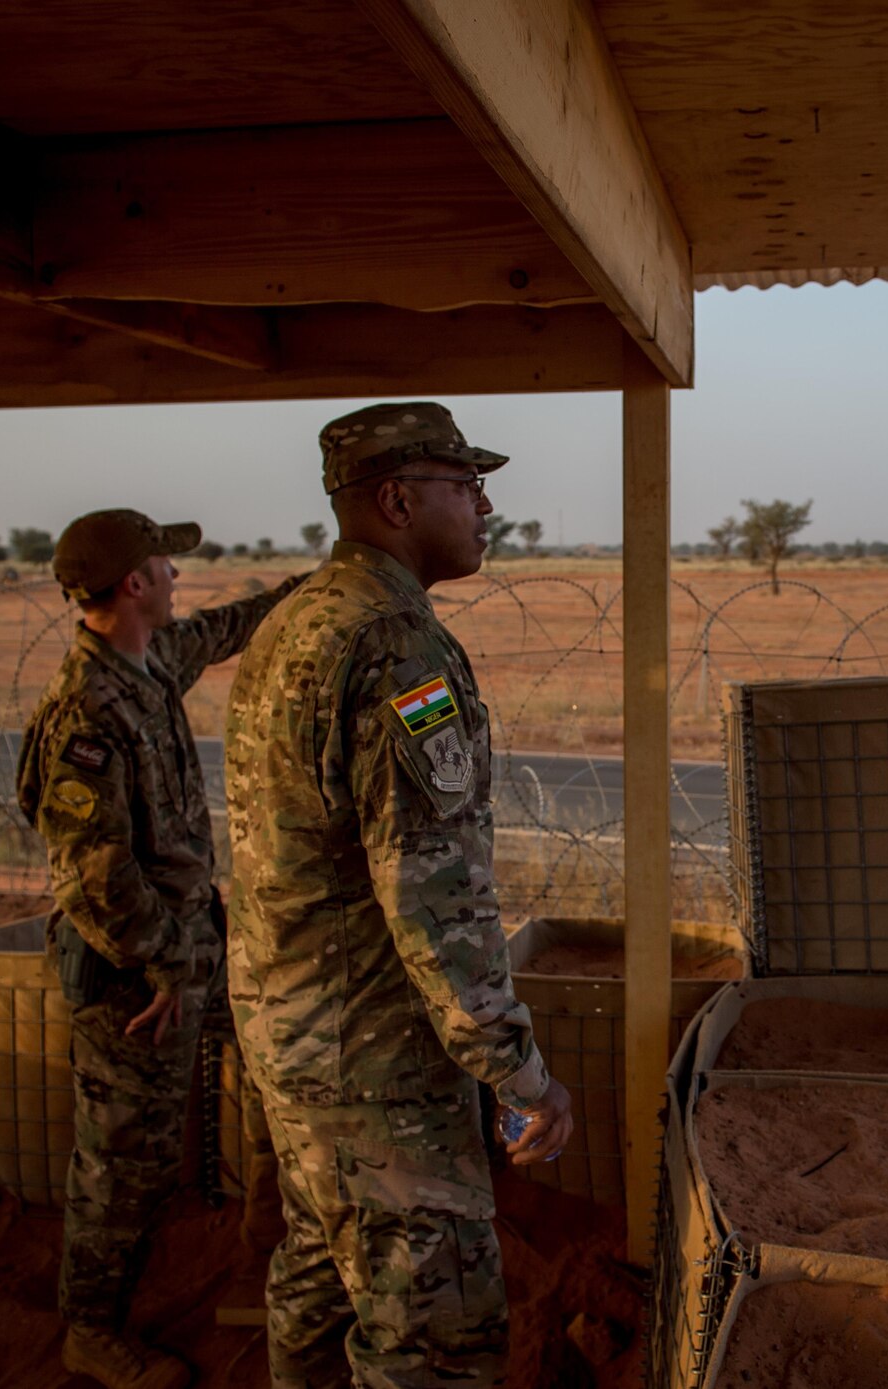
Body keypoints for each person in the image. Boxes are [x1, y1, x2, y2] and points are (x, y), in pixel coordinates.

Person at [225, 402, 574, 1388]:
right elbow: (432, 893)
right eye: (465, 486)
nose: (484, 505)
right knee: (436, 1334)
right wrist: (515, 1071)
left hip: (295, 1034)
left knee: (323, 1277)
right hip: (375, 1063)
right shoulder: (393, 647)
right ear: (395, 500)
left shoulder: (296, 619)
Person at [17, 509, 304, 1389]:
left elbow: (223, 627)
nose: (181, 575)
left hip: (189, 949)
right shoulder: (86, 712)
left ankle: (275, 1248)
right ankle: (91, 1330)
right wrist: (168, 963)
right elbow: (93, 874)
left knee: (274, 1060)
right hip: (137, 978)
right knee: (124, 1166)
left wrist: (313, 590)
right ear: (133, 584)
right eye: (166, 564)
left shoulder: (147, 663)